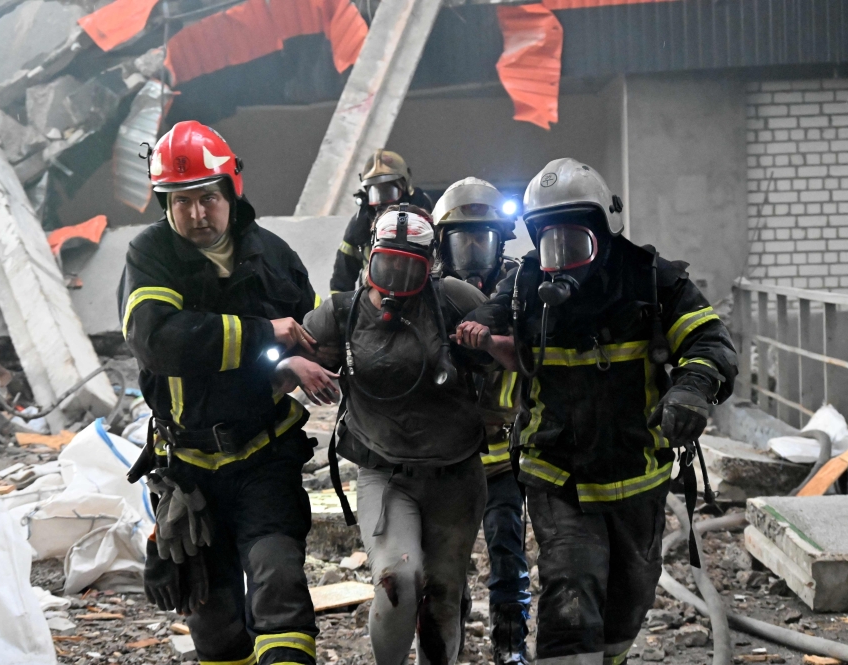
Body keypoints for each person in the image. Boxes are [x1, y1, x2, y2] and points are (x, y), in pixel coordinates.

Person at [454, 159, 738, 665]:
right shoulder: (525, 287)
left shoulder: (652, 282)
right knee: (569, 590)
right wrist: (476, 333)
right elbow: (486, 316)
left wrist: (692, 388)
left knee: (628, 607)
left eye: (574, 242)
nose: (560, 258)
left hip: (637, 475)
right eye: (549, 242)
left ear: (604, 233)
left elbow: (710, 340)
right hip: (555, 473)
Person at [120, 120, 337, 665]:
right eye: (181, 201)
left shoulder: (274, 255)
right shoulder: (151, 256)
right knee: (213, 623)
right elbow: (161, 343)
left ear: (230, 192)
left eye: (207, 199)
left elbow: (313, 334)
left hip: (265, 456)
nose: (196, 214)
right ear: (164, 203)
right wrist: (267, 336)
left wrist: (297, 357)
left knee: (278, 584)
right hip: (190, 467)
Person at [298, 205, 488, 664]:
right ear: (369, 259)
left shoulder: (455, 301)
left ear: (432, 266)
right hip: (385, 473)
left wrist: (490, 345)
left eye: (411, 268)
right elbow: (278, 361)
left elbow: (514, 352)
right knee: (397, 579)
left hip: (454, 471)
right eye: (388, 264)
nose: (396, 280)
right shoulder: (342, 313)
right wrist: (292, 362)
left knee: (444, 593)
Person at [432, 178, 530, 665]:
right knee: (445, 563)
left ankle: (510, 644)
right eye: (462, 239)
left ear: (500, 240)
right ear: (443, 244)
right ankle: (448, 645)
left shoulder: (521, 291)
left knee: (507, 551)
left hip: (502, 457)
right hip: (446, 458)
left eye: (482, 238)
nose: (472, 250)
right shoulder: (427, 294)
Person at [330, 149, 434, 293]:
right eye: (375, 193)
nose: (382, 203)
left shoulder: (425, 219)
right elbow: (341, 279)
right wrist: (340, 310)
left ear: (404, 188)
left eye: (388, 191)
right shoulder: (359, 226)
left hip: (419, 295)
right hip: (374, 303)